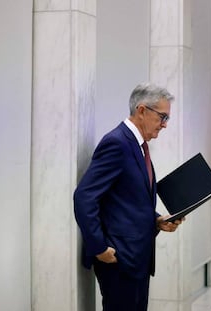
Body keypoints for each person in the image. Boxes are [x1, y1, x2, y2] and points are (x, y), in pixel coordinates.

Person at [73, 82, 183, 311]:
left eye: (167, 119)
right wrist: (99, 248)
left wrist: (157, 220)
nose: (164, 125)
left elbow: (127, 200)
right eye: (162, 117)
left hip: (137, 256)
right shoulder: (117, 143)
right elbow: (85, 197)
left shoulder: (138, 145)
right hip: (119, 258)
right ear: (142, 110)